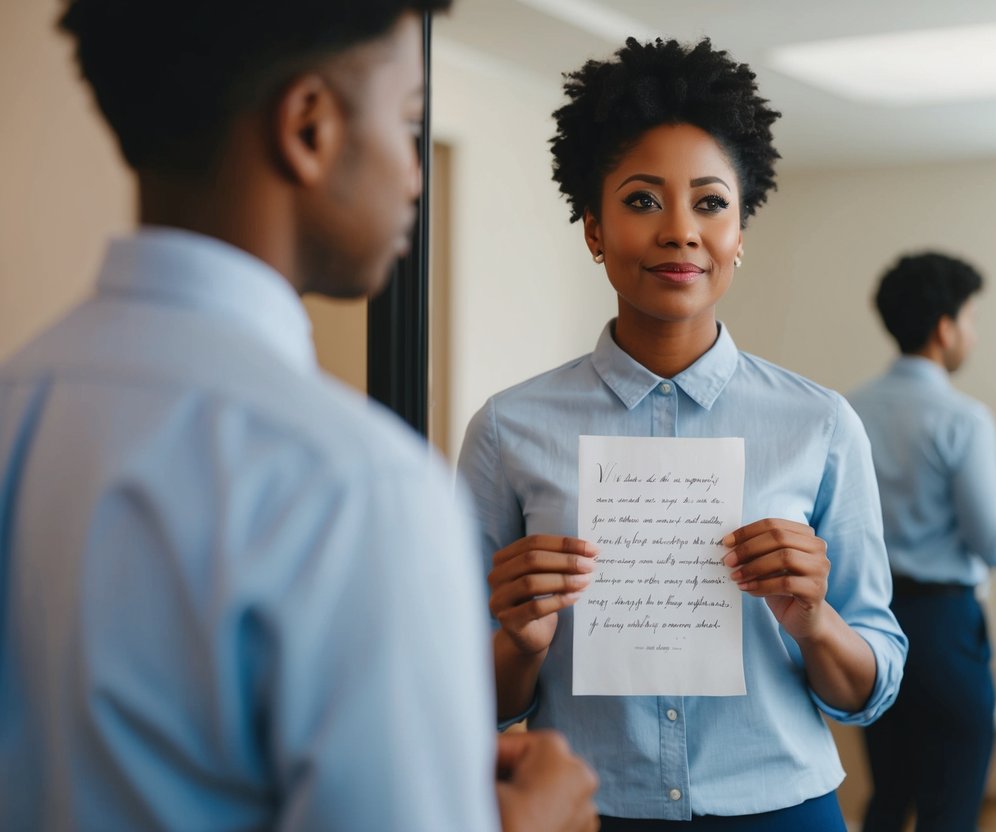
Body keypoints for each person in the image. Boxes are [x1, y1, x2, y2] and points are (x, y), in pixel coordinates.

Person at [0, 1, 598, 830]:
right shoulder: (357, 487)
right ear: (309, 128)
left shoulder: (18, 401)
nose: (413, 173)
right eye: (409, 120)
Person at [456, 37, 907, 831]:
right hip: (586, 813)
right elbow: (462, 696)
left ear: (740, 232)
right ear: (593, 229)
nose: (678, 231)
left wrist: (813, 621)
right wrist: (522, 644)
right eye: (640, 201)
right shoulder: (507, 430)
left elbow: (871, 687)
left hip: (782, 809)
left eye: (709, 202)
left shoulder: (822, 423)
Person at [847, 252, 996, 832]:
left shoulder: (848, 410)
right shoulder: (963, 419)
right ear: (944, 328)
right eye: (970, 319)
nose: (971, 333)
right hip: (946, 632)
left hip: (869, 621)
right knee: (950, 813)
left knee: (889, 798)